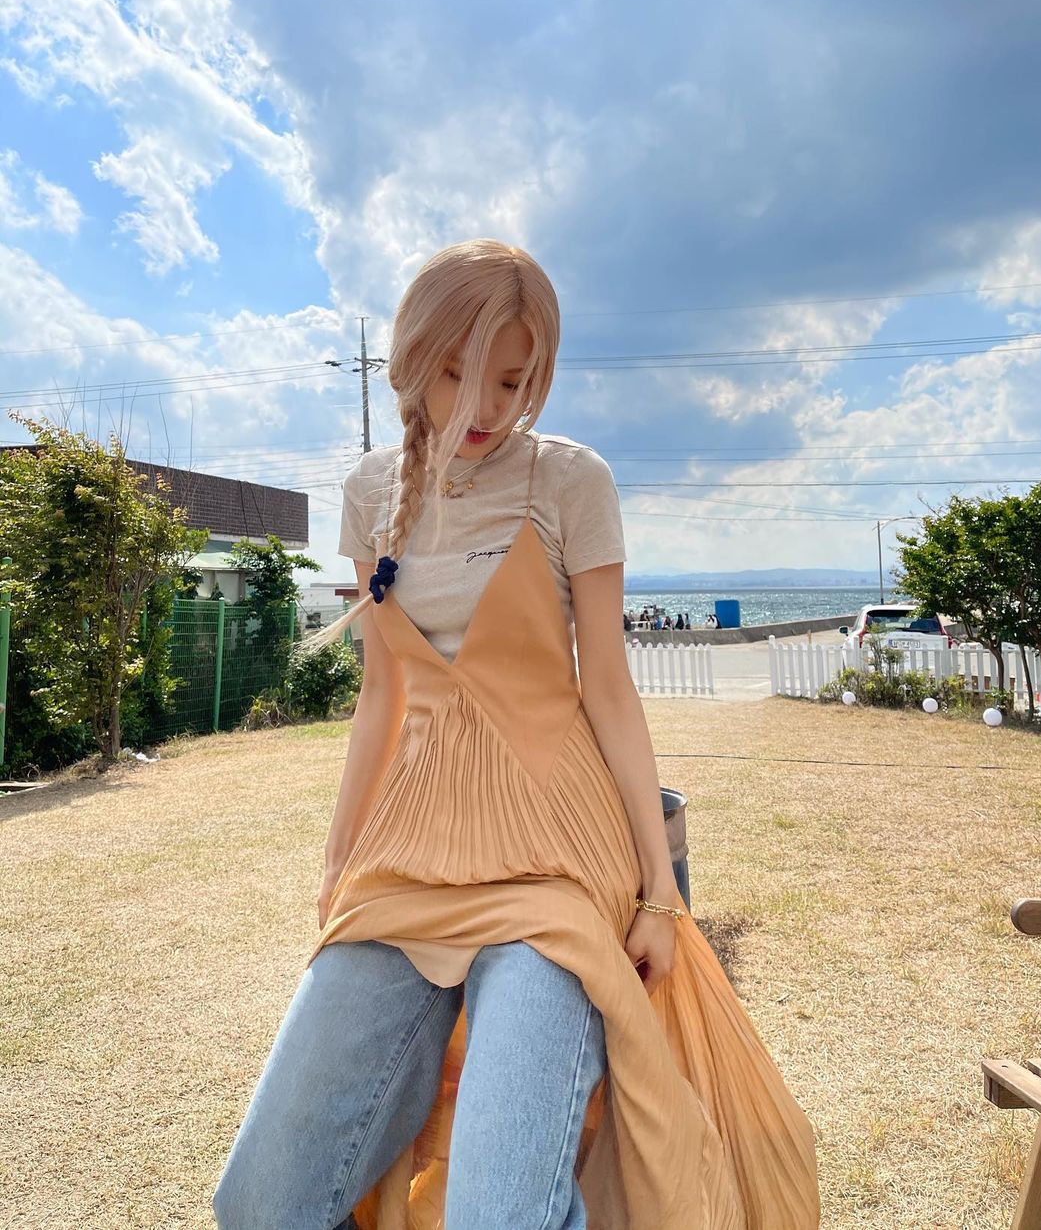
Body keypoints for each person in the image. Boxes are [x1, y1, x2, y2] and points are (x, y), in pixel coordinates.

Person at [212, 239, 819, 1230]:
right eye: (458, 372)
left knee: (500, 1211)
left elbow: (608, 687)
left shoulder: (570, 479)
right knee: (259, 1200)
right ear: (414, 357)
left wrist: (658, 889)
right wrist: (336, 862)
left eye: (512, 379)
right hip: (409, 854)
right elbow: (383, 694)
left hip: (554, 858)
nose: (485, 405)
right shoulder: (370, 492)